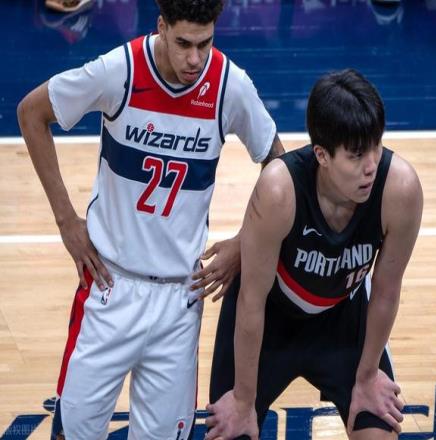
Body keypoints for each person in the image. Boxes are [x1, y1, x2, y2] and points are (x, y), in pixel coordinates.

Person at [17, 0, 284, 437]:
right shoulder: (119, 71)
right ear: (161, 26)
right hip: (109, 286)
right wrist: (66, 221)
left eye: (205, 44)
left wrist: (244, 242)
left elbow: (278, 165)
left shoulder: (228, 84)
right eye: (183, 44)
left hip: (179, 300)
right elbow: (31, 112)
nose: (195, 59)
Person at [206, 69, 423, 440]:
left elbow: (386, 291)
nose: (371, 166)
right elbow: (251, 302)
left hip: (340, 319)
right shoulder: (279, 190)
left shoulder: (400, 189)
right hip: (269, 321)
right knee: (231, 431)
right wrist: (242, 400)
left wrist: (367, 376)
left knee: (379, 434)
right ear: (322, 154)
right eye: (356, 155)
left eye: (376, 146)